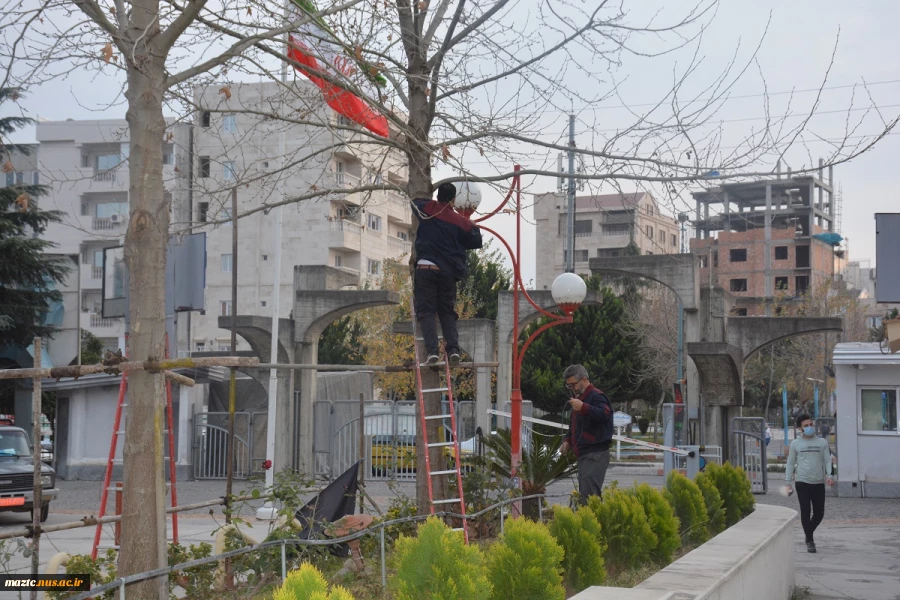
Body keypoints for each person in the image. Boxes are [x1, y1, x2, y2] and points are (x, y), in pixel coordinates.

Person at [412, 182, 483, 365]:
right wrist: (471, 224)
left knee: (426, 312)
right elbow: (475, 240)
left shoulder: (428, 209)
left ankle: (433, 352)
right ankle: (453, 350)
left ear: (437, 196)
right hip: (446, 273)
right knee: (447, 313)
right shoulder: (459, 221)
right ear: (453, 200)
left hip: (425, 269)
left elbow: (414, 202)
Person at [559, 364, 613, 503]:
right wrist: (567, 441)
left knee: (590, 498)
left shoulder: (597, 396)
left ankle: (593, 523)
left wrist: (584, 407)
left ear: (584, 380)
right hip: (584, 454)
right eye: (568, 386)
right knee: (586, 495)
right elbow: (574, 426)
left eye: (573, 385)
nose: (572, 389)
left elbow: (605, 414)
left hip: (595, 454)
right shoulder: (580, 399)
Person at [785, 413, 834, 553]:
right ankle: (810, 541)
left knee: (819, 513)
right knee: (805, 511)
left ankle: (807, 533)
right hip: (802, 482)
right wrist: (788, 482)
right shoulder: (795, 443)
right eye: (806, 426)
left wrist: (829, 475)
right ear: (800, 428)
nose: (809, 427)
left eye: (811, 425)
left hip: (818, 482)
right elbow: (790, 464)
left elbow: (827, 460)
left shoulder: (822, 443)